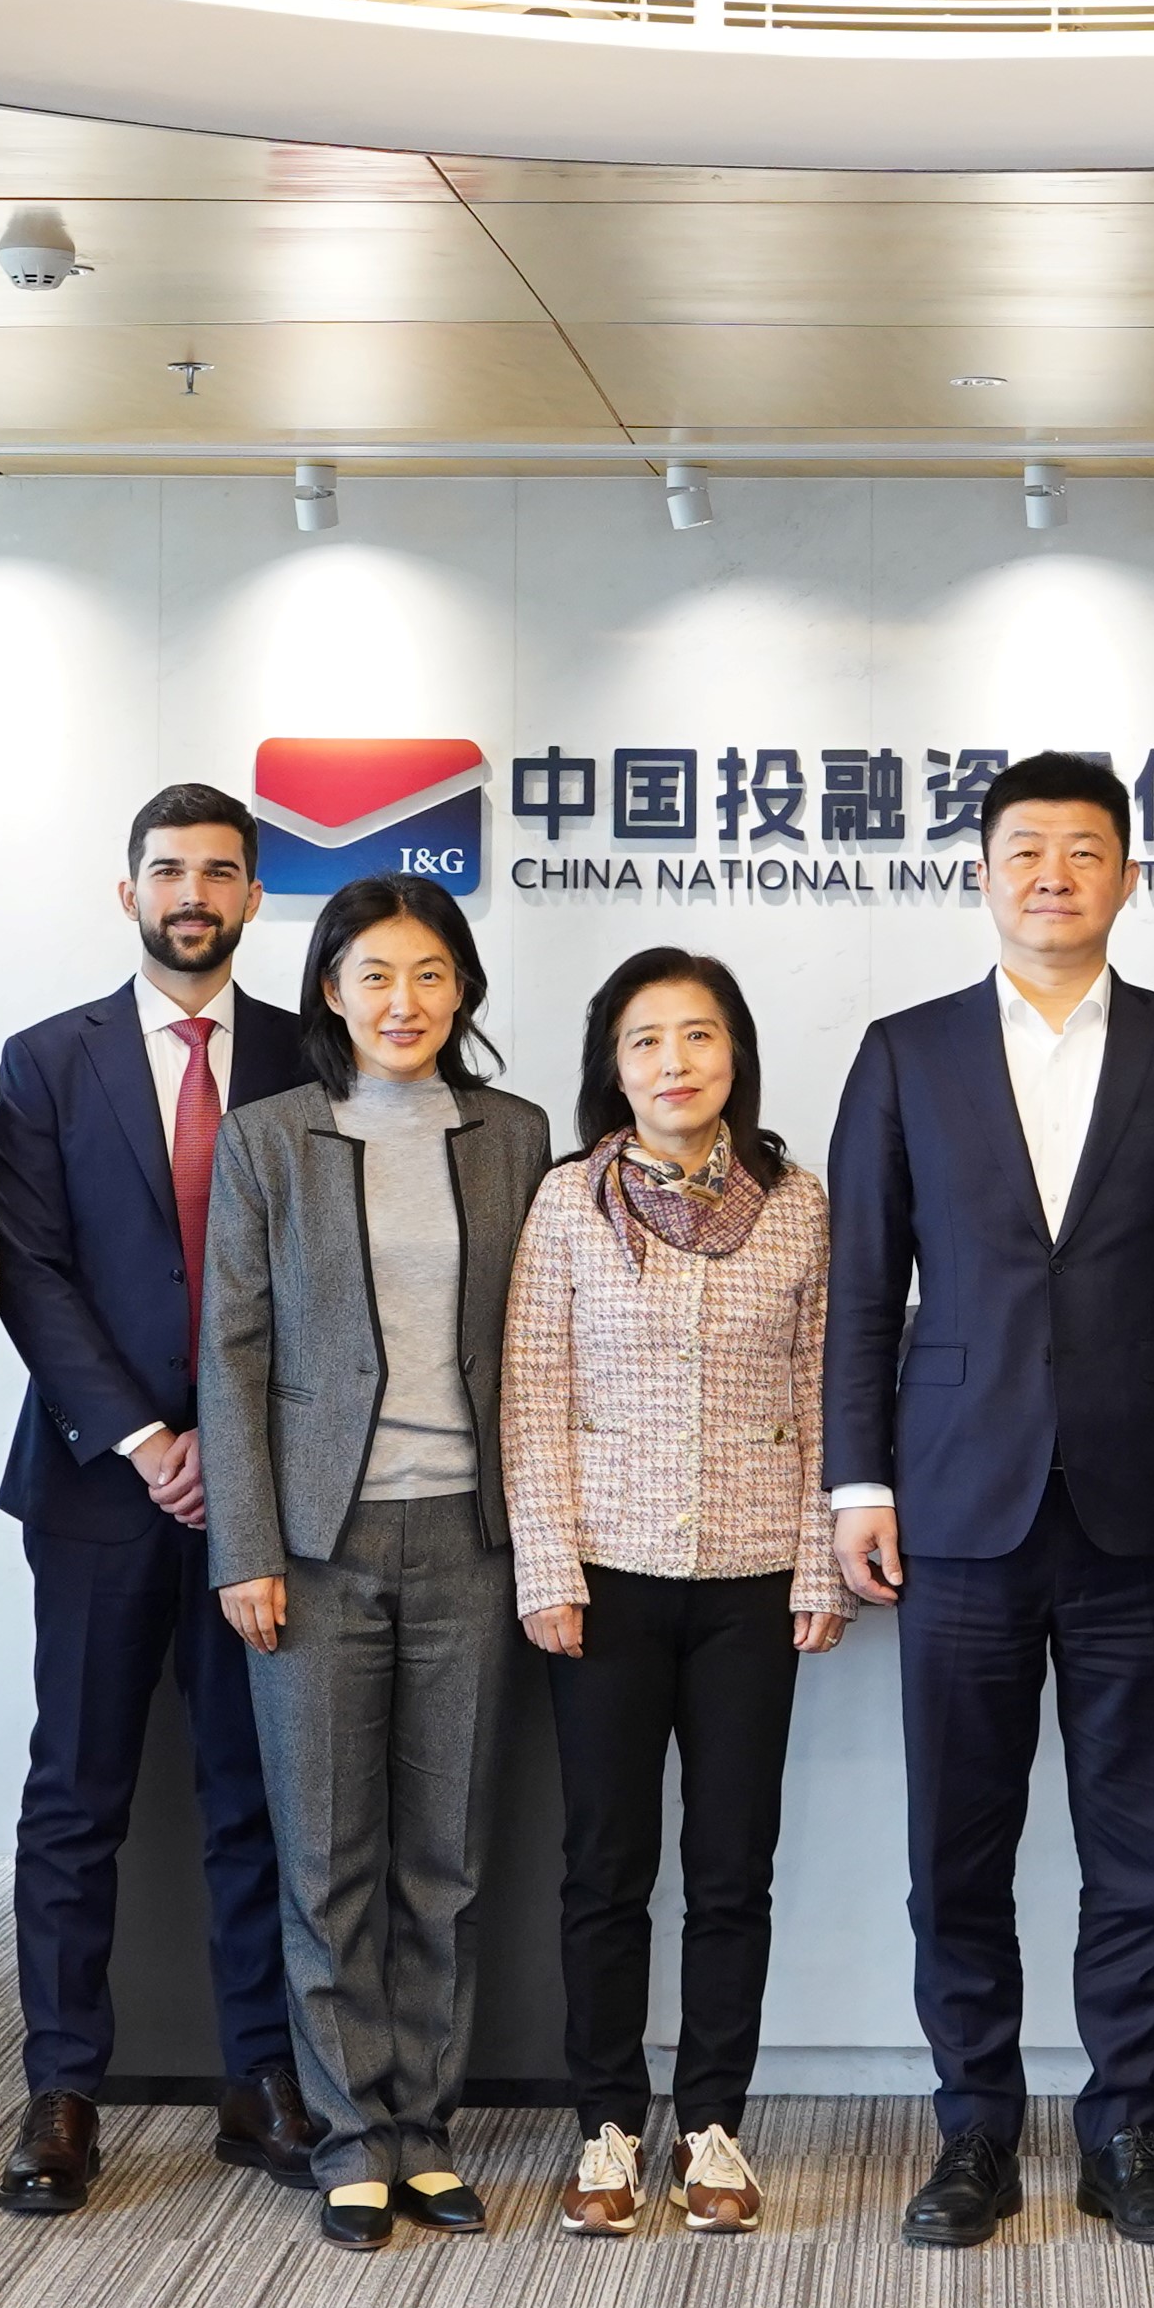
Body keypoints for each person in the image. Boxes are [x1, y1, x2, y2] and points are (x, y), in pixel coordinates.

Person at [825, 749, 1154, 2252]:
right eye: (1025, 850)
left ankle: (1126, 2133)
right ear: (982, 872)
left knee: (1142, 1843)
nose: (1052, 876)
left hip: (1144, 1506)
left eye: (1084, 852)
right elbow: (862, 1287)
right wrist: (858, 1478)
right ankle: (973, 2133)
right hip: (956, 1505)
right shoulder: (906, 1051)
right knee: (957, 1842)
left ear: (1129, 877)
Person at [198, 873, 558, 2251]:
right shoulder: (270, 1137)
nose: (402, 1002)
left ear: (461, 989)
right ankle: (350, 2133)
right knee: (327, 1855)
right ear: (331, 993)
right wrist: (245, 1545)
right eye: (374, 976)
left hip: (472, 1536)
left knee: (444, 1858)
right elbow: (231, 1354)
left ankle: (425, 2127)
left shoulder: (515, 1134)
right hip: (315, 1546)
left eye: (429, 975)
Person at [0, 785, 323, 2213]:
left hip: (267, 1489)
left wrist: (230, 1445)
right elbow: (29, 1267)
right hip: (100, 1485)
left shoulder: (312, 1052)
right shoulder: (48, 1058)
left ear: (253, 897)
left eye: (221, 872)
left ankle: (260, 2078)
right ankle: (64, 2086)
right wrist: (142, 1435)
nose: (194, 893)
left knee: (254, 1791)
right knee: (78, 1793)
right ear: (128, 892)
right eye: (169, 870)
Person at [503, 946, 839, 2240]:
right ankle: (606, 2124)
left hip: (753, 1581)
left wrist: (820, 1561)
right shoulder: (566, 1202)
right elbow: (531, 1396)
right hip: (604, 1581)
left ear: (734, 1054)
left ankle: (712, 2128)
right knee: (604, 1867)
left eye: (698, 1035)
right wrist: (547, 1565)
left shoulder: (795, 1204)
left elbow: (825, 1392)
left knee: (732, 1869)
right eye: (645, 1040)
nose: (674, 1062)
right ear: (613, 1065)